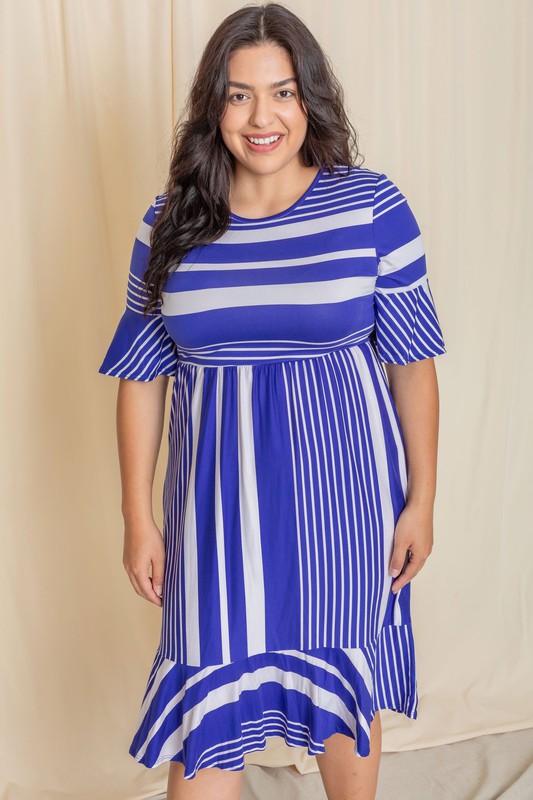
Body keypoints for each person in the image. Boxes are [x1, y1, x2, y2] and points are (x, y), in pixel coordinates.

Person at [98, 3, 446, 799]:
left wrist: (421, 500)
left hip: (345, 498)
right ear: (212, 106)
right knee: (209, 712)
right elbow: (141, 375)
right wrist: (138, 516)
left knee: (339, 696)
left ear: (309, 101)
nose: (263, 117)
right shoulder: (169, 224)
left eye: (283, 93)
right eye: (239, 94)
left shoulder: (369, 206)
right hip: (216, 509)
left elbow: (413, 364)